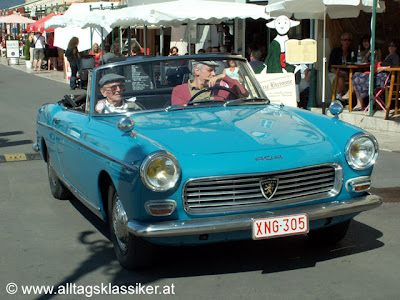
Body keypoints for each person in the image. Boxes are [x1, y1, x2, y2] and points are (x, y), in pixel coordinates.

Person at [171, 60, 248, 105]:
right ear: (197, 71)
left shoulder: (220, 91)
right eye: (210, 70)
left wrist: (224, 77)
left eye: (214, 71)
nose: (214, 74)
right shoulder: (179, 90)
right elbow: (181, 115)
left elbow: (244, 95)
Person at [351, 40, 400, 111]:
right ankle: (359, 103)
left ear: (397, 47)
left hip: (383, 79)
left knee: (356, 76)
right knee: (356, 76)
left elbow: (396, 67)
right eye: (390, 45)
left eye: (393, 45)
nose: (391, 47)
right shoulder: (389, 56)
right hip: (379, 76)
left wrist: (383, 68)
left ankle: (358, 102)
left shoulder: (395, 56)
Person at [328, 32, 353, 101]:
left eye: (349, 40)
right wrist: (340, 73)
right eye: (345, 40)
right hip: (335, 72)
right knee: (341, 79)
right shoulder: (336, 51)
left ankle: (350, 100)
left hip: (347, 72)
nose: (347, 42)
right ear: (341, 41)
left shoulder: (351, 52)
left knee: (355, 79)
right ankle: (338, 97)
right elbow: (330, 67)